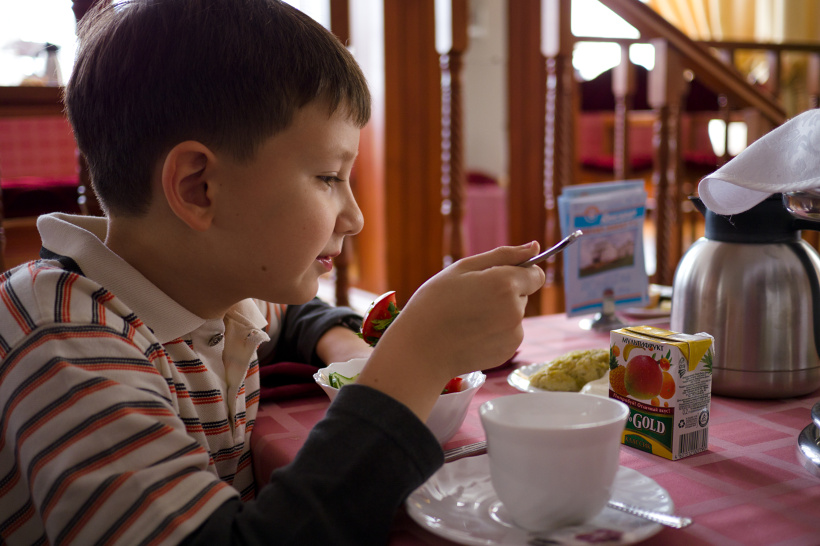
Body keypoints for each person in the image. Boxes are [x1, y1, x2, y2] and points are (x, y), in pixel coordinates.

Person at [0, 0, 546, 544]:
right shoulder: (62, 337)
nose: (355, 218)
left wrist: (345, 345)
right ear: (198, 187)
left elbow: (297, 318)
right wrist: (418, 357)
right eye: (328, 177)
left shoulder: (211, 293)